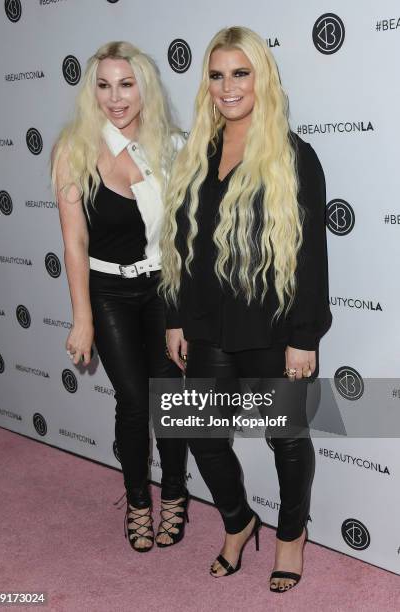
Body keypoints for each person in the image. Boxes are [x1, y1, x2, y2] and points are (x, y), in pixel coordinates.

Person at [160, 26, 331, 591]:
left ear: (262, 78)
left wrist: (304, 336)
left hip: (273, 324)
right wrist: (177, 316)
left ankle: (290, 535)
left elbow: (310, 256)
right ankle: (237, 520)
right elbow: (184, 247)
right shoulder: (197, 153)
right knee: (202, 435)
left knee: (285, 437)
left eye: (240, 73)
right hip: (208, 323)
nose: (227, 86)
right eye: (216, 74)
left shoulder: (293, 155)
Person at [52, 41, 188, 553]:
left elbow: (184, 235)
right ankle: (137, 500)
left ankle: (174, 493)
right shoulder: (75, 148)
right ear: (93, 92)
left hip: (163, 288)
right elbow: (74, 241)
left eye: (126, 83)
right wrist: (81, 317)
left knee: (169, 397)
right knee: (134, 400)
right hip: (107, 288)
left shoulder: (171, 145)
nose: (115, 97)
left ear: (144, 87)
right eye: (104, 85)